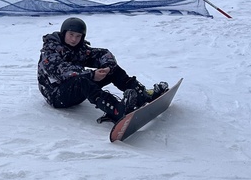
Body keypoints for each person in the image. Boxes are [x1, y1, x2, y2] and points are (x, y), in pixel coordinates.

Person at [38, 17, 168, 123]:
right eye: (71, 34)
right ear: (63, 33)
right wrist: (91, 75)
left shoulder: (79, 49)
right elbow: (61, 71)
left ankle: (142, 95)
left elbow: (102, 54)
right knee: (82, 80)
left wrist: (108, 67)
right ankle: (116, 110)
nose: (74, 39)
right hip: (56, 95)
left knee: (112, 70)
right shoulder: (50, 50)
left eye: (78, 36)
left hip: (75, 89)